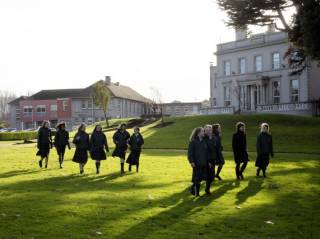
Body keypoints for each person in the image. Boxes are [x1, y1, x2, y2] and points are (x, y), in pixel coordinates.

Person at [187, 127, 212, 196]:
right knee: (197, 179)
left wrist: (209, 162)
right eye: (202, 131)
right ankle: (196, 193)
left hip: (204, 164)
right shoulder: (193, 142)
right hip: (197, 164)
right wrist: (191, 162)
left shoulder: (204, 142)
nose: (204, 133)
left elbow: (207, 153)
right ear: (198, 133)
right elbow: (190, 153)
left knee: (202, 178)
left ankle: (193, 190)